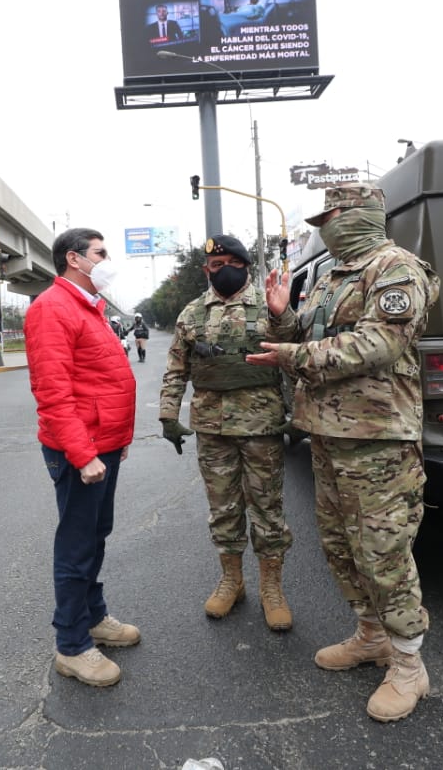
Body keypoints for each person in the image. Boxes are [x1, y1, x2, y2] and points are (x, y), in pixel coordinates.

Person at [247, 183, 440, 723]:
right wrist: (282, 316)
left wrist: (293, 353)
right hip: (327, 432)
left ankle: (408, 665)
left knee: (383, 552)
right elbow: (306, 334)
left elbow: (380, 344)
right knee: (338, 544)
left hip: (378, 437)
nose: (323, 226)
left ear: (358, 214)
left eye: (330, 216)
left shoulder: (395, 268)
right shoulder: (333, 275)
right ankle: (372, 635)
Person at [159, 234, 298, 630]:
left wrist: (283, 315)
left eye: (229, 263)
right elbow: (176, 369)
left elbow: (296, 350)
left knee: (267, 508)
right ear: (206, 271)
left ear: (245, 265)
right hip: (212, 426)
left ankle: (272, 588)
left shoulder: (269, 306)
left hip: (262, 423)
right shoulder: (191, 314)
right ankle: (232, 581)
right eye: (214, 266)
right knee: (223, 508)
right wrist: (168, 414)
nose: (222, 271)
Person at [24, 227, 139, 688]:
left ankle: (93, 616)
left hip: (102, 444)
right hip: (81, 451)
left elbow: (102, 380)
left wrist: (118, 438)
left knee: (95, 535)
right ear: (74, 259)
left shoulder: (86, 306)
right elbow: (54, 393)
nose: (106, 260)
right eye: (100, 253)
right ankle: (72, 646)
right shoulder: (52, 308)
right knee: (76, 545)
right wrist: (83, 453)